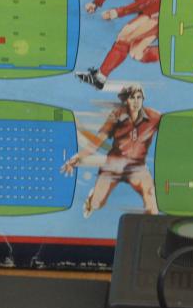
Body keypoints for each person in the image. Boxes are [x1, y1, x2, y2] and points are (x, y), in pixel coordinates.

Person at [60, 84, 162, 216]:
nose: (136, 101)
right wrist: (77, 158)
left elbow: (171, 124)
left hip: (137, 168)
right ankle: (92, 199)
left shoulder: (154, 117)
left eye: (139, 97)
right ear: (126, 100)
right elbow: (97, 141)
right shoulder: (116, 116)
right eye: (132, 98)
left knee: (151, 200)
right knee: (97, 204)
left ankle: (151, 226)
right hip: (113, 166)